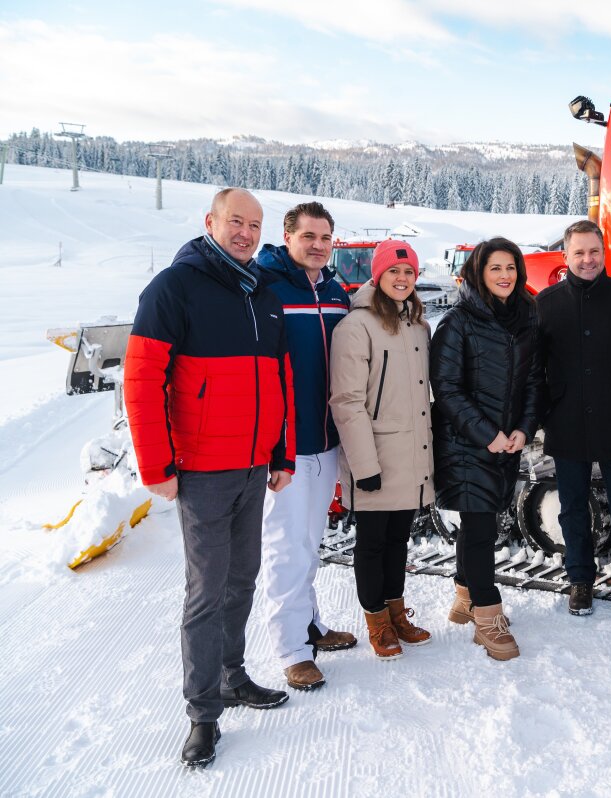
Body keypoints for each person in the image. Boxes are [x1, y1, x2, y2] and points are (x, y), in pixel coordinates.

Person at [124, 188, 295, 768]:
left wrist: (281, 453)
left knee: (242, 578)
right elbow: (142, 379)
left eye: (254, 224)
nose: (245, 233)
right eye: (235, 222)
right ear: (210, 223)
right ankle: (202, 715)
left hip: (252, 467)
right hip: (200, 471)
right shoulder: (176, 287)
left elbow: (279, 382)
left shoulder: (263, 294)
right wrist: (157, 465)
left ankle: (231, 675)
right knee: (206, 591)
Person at [257, 202, 357, 692]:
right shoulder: (265, 288)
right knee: (285, 546)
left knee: (309, 542)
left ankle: (309, 625)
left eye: (325, 238)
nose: (318, 246)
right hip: (286, 446)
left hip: (326, 439)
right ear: (288, 236)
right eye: (309, 237)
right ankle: (290, 649)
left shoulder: (336, 292)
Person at [536, 220, 611, 622]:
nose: (588, 260)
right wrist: (542, 411)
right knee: (572, 508)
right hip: (566, 420)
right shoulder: (546, 304)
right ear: (565, 257)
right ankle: (580, 580)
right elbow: (536, 367)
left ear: (604, 254)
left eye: (594, 252)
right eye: (579, 253)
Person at [430, 237, 540, 661]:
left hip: (506, 443)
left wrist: (523, 430)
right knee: (479, 529)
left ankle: (464, 596)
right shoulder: (458, 322)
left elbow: (533, 382)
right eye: (495, 268)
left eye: (511, 267)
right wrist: (487, 434)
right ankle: (487, 618)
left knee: (486, 523)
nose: (505, 275)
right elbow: (447, 389)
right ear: (478, 272)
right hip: (466, 443)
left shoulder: (526, 318)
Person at [329, 240, 435, 659]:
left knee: (398, 541)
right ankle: (376, 620)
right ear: (378, 275)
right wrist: (363, 465)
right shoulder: (356, 327)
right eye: (394, 271)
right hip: (374, 457)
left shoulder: (417, 325)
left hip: (409, 454)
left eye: (409, 272)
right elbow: (347, 402)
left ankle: (396, 612)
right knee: (372, 544)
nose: (402, 279)